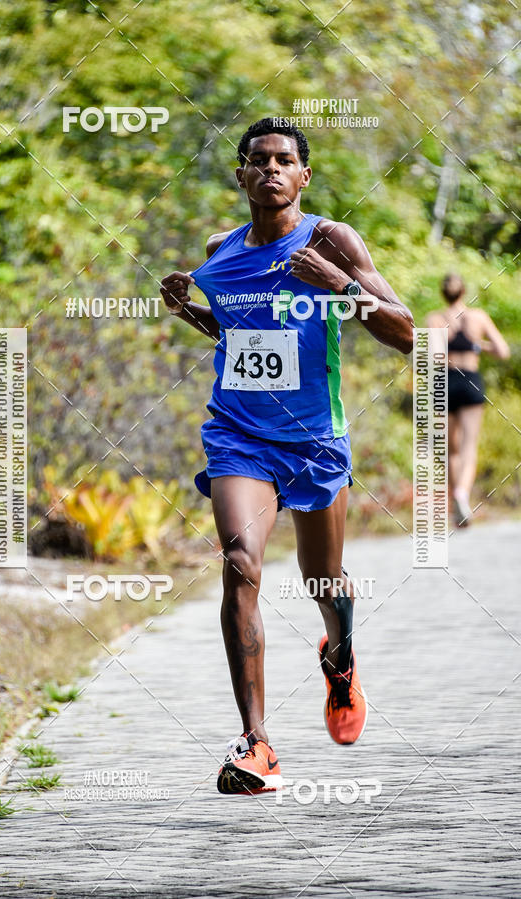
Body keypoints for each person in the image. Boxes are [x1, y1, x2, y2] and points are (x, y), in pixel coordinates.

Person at [161, 118, 414, 795]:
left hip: (314, 440)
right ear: (241, 174)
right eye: (259, 160)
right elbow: (238, 335)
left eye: (284, 160)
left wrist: (338, 283)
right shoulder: (219, 250)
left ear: (303, 176)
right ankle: (257, 743)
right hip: (238, 435)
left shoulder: (332, 240)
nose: (271, 169)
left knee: (322, 578)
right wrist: (189, 311)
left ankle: (341, 657)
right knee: (240, 561)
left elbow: (407, 332)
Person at [427, 274, 510, 527]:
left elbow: (433, 357)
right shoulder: (478, 317)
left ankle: (456, 506)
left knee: (450, 449)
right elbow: (503, 351)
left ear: (443, 294)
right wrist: (477, 346)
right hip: (470, 381)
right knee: (468, 446)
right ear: (463, 292)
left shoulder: (434, 319)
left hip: (444, 382)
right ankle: (462, 494)